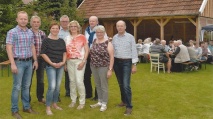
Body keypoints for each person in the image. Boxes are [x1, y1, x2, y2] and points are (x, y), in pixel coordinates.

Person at [6, 11, 38, 119]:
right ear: (17, 19)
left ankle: (26, 107)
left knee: (26, 86)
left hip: (29, 62)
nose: (23, 20)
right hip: (18, 62)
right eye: (21, 19)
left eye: (25, 19)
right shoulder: (12, 32)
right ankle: (14, 110)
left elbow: (32, 47)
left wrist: (35, 60)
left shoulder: (30, 32)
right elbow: (9, 48)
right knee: (17, 87)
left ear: (27, 20)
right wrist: (13, 64)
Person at [112, 20, 138, 116]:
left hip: (127, 62)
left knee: (126, 84)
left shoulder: (130, 37)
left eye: (121, 26)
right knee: (121, 83)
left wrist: (134, 65)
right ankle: (123, 101)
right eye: (118, 26)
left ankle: (129, 106)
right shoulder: (114, 38)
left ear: (125, 27)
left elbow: (134, 51)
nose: (120, 28)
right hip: (117, 62)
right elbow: (113, 51)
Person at [40, 22, 66, 115]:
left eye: (57, 28)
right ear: (50, 29)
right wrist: (51, 63)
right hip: (50, 66)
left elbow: (64, 52)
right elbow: (43, 53)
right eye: (53, 28)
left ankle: (55, 104)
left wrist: (63, 62)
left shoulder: (61, 40)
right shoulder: (46, 40)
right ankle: (48, 107)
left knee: (58, 87)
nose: (55, 30)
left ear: (59, 30)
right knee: (52, 86)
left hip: (60, 65)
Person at [65, 20, 89, 110]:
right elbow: (65, 51)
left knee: (79, 81)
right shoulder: (67, 38)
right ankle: (73, 100)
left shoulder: (82, 37)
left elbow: (87, 49)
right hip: (70, 61)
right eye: (71, 26)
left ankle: (82, 102)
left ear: (78, 28)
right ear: (69, 28)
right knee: (72, 81)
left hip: (80, 61)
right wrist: (65, 64)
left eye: (75, 26)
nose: (73, 28)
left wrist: (83, 61)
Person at [89, 25, 114, 112]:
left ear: (104, 33)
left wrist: (110, 70)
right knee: (97, 85)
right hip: (93, 66)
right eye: (97, 32)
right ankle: (99, 101)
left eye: (101, 32)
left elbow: (111, 57)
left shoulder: (108, 43)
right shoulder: (94, 41)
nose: (99, 34)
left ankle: (104, 103)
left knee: (104, 85)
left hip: (103, 67)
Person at [84, 16, 107, 100]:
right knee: (86, 75)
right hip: (87, 55)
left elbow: (105, 42)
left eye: (94, 21)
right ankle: (88, 93)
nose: (92, 22)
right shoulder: (86, 31)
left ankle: (98, 96)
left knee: (98, 76)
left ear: (97, 22)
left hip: (97, 56)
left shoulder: (100, 31)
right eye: (90, 21)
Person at [29, 15, 46, 104]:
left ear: (40, 23)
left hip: (41, 59)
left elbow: (45, 47)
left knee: (41, 80)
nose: (36, 24)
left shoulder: (42, 33)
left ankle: (40, 97)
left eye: (37, 22)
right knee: (28, 80)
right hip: (30, 60)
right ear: (31, 23)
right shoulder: (27, 33)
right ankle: (27, 99)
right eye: (34, 22)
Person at [58, 15, 70, 97]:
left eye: (66, 21)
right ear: (60, 22)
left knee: (68, 75)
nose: (65, 23)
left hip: (69, 55)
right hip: (58, 55)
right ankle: (57, 93)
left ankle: (68, 92)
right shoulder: (56, 30)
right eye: (63, 21)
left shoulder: (72, 30)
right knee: (57, 75)